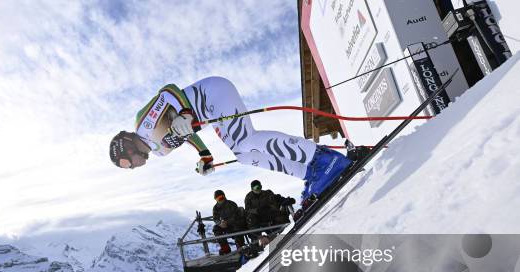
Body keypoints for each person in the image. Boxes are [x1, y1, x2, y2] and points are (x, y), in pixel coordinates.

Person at [109, 77, 368, 201]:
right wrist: (204, 155)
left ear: (127, 147)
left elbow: (169, 91)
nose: (130, 167)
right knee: (244, 155)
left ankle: (323, 159)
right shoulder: (157, 151)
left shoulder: (141, 123)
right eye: (126, 167)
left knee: (246, 140)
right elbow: (185, 134)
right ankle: (310, 172)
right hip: (210, 113)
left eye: (126, 163)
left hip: (211, 95)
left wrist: (186, 112)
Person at [212, 190, 246, 255]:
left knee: (238, 226)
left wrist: (227, 222)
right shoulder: (216, 208)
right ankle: (225, 248)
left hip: (235, 224)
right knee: (216, 228)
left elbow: (236, 216)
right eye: (218, 198)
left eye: (221, 197)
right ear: (216, 199)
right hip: (225, 225)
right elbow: (215, 218)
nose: (221, 199)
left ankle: (240, 246)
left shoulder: (231, 204)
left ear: (224, 196)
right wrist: (220, 223)